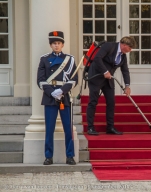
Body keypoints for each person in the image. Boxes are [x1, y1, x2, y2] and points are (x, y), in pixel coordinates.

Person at [37, 31, 78, 165]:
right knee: (49, 128)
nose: (56, 46)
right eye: (54, 43)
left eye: (59, 43)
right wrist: (52, 92)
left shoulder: (70, 59)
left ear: (62, 44)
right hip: (50, 97)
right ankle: (48, 156)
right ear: (51, 45)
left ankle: (70, 156)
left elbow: (74, 79)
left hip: (64, 96)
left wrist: (62, 90)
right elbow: (40, 80)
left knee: (68, 128)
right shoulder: (44, 59)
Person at [86, 36, 136, 135]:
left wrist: (127, 86)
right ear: (124, 45)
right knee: (93, 102)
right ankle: (90, 128)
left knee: (111, 102)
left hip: (108, 79)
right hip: (96, 77)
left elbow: (125, 70)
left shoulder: (123, 56)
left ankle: (110, 127)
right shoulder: (109, 46)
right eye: (130, 48)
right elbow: (97, 58)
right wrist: (105, 71)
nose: (130, 50)